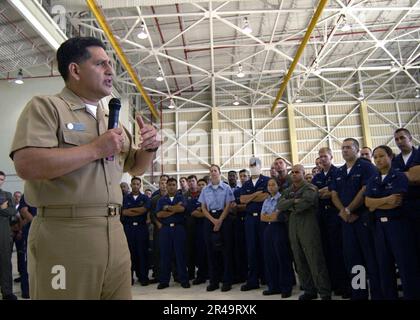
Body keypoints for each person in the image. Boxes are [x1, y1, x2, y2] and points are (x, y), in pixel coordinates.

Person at [9, 37, 159, 299]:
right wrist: (94, 149)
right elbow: (26, 164)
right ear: (75, 70)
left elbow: (135, 168)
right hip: (65, 234)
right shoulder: (47, 107)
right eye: (101, 64)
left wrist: (149, 148)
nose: (110, 70)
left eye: (110, 64)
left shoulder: (112, 121)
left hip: (114, 230)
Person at [365, 145, 420, 299]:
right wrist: (385, 200)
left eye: (381, 156)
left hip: (398, 226)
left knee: (405, 266)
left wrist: (377, 203)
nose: (378, 159)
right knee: (384, 267)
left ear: (390, 157)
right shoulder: (372, 180)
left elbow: (396, 201)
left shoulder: (399, 176)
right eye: (375, 157)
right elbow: (368, 203)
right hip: (379, 228)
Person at [330, 138, 382, 300]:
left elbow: (365, 189)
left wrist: (349, 209)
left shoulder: (367, 167)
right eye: (343, 148)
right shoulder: (339, 171)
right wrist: (344, 212)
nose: (344, 150)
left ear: (357, 150)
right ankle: (359, 294)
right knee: (353, 261)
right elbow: (333, 194)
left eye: (348, 147)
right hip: (347, 222)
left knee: (371, 259)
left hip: (363, 219)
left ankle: (377, 294)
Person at [278, 164, 331, 300]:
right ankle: (309, 290)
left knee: (315, 260)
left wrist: (290, 204)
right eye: (292, 172)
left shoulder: (310, 188)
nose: (294, 174)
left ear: (303, 173)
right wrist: (294, 201)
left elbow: (305, 204)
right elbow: (279, 204)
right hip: (293, 226)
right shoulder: (288, 189)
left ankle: (324, 292)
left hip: (308, 226)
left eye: (297, 172)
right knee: (299, 260)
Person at [312, 147, 349, 298]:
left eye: (325, 156)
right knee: (326, 251)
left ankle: (345, 286)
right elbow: (313, 192)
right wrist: (325, 192)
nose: (322, 159)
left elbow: (335, 191)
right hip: (322, 217)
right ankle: (333, 284)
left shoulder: (339, 172)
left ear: (331, 157)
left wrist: (326, 192)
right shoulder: (317, 176)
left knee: (339, 252)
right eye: (320, 157)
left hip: (336, 215)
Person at [199, 165, 235, 292]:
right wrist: (213, 220)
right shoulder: (205, 190)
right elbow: (203, 207)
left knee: (226, 252)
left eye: (215, 171)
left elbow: (228, 205)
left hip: (224, 219)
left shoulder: (226, 188)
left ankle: (227, 281)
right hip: (210, 219)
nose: (213, 173)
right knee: (211, 251)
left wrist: (219, 220)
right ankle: (214, 281)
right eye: (211, 171)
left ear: (219, 173)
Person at [260, 178, 294, 297]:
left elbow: (277, 217)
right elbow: (262, 218)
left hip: (279, 229)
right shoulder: (267, 200)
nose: (270, 187)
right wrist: (271, 217)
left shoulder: (282, 198)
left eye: (273, 185)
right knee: (270, 258)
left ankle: (286, 287)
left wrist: (270, 216)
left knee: (282, 258)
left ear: (278, 186)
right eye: (269, 185)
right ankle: (273, 286)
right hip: (268, 229)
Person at [240, 157, 270, 291]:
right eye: (251, 164)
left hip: (263, 218)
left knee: (265, 247)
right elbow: (242, 200)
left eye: (255, 164)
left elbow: (265, 196)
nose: (253, 166)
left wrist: (250, 197)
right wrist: (255, 195)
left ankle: (268, 278)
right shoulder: (246, 184)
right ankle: (253, 280)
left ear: (260, 165)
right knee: (251, 249)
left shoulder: (267, 180)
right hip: (250, 220)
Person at [155, 178, 189, 289]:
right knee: (165, 256)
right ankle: (164, 281)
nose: (171, 187)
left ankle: (184, 280)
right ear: (166, 186)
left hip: (179, 229)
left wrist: (168, 208)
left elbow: (182, 209)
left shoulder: (181, 197)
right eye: (169, 185)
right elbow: (159, 215)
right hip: (165, 230)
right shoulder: (161, 200)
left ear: (176, 186)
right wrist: (174, 209)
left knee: (181, 255)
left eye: (174, 185)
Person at [392, 128, 420, 264]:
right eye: (396, 139)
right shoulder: (395, 161)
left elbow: (416, 177)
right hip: (403, 209)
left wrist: (400, 177)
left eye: (402, 138)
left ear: (410, 139)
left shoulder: (418, 155)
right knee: (410, 249)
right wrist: (410, 176)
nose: (399, 141)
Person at [121, 177, 151, 286]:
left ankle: (143, 277)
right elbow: (124, 212)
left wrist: (132, 210)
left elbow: (144, 210)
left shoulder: (145, 198)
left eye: (138, 184)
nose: (135, 186)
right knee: (129, 254)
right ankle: (129, 278)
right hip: (129, 229)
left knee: (142, 253)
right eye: (133, 184)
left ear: (140, 185)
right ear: (131, 184)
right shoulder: (125, 198)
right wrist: (138, 211)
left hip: (141, 228)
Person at [186, 178, 208, 285]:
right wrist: (207, 212)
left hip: (212, 228)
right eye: (199, 185)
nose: (200, 186)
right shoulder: (193, 200)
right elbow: (194, 213)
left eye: (203, 184)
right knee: (200, 253)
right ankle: (201, 275)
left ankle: (213, 274)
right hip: (199, 230)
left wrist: (202, 211)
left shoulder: (211, 198)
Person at [0, 171, 18, 300]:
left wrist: (3, 210)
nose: (0, 181)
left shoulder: (7, 195)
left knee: (5, 263)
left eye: (2, 179)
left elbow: (12, 211)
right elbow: (6, 211)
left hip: (3, 234)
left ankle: (7, 292)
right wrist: (1, 208)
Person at [17, 194, 37, 299]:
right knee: (27, 262)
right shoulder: (28, 194)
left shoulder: (48, 192)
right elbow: (24, 211)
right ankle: (26, 291)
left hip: (46, 232)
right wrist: (38, 223)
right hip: (31, 231)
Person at [231, 169, 249, 284]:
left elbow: (250, 206)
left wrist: (242, 206)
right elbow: (233, 207)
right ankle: (242, 274)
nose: (243, 178)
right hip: (238, 221)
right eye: (241, 176)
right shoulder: (237, 191)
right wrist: (245, 205)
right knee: (240, 249)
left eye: (245, 176)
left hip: (249, 220)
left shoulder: (251, 189)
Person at [149, 178, 168, 284]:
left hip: (170, 227)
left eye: (166, 183)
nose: (164, 185)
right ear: (159, 185)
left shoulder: (172, 198)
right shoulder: (154, 199)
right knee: (158, 252)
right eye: (162, 183)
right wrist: (158, 223)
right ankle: (157, 275)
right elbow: (152, 214)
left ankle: (176, 274)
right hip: (159, 228)